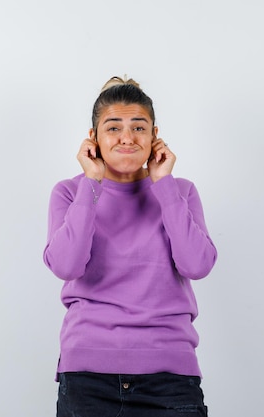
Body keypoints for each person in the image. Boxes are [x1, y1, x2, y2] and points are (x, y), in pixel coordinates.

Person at [43, 76, 218, 417]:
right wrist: (92, 182)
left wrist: (163, 184)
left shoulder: (180, 191)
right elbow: (66, 266)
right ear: (93, 138)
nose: (127, 137)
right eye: (113, 127)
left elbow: (197, 265)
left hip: (170, 377)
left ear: (155, 136)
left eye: (139, 127)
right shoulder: (69, 191)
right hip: (88, 378)